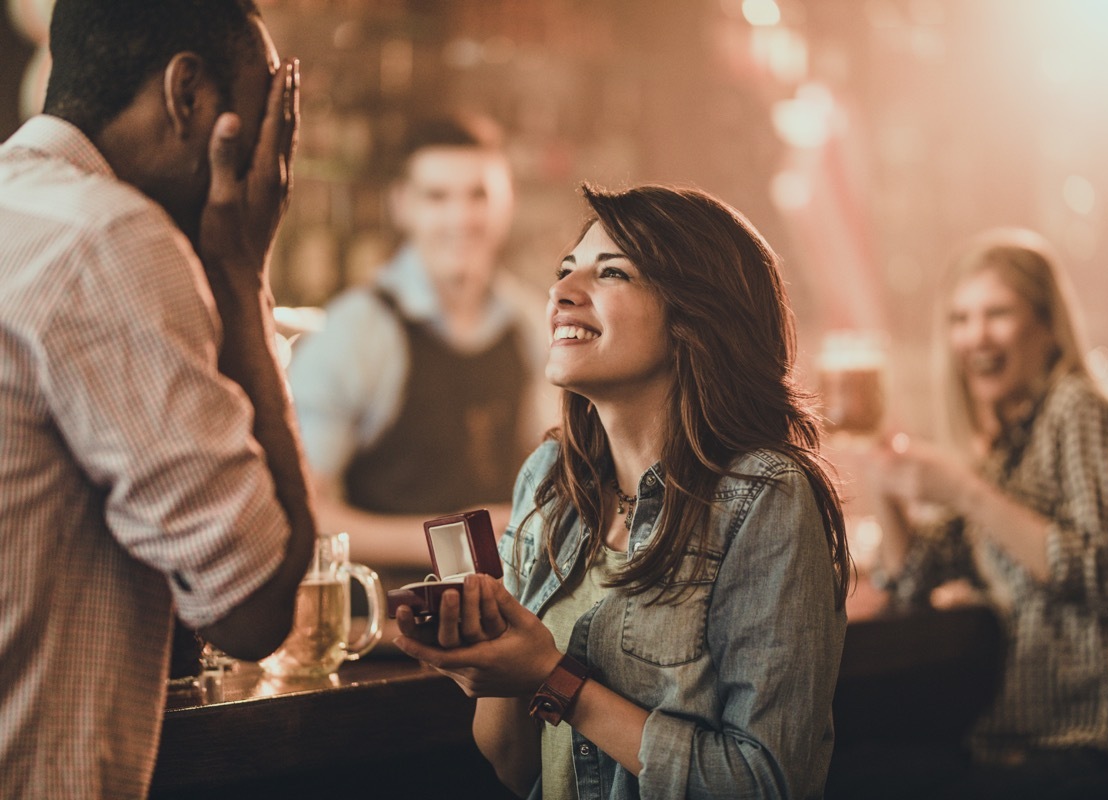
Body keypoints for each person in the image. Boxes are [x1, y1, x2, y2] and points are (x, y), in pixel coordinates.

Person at [393, 184, 852, 799]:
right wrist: (491, 659)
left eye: (612, 273)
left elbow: (765, 783)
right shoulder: (550, 478)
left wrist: (553, 678)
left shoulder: (763, 496)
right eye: (563, 271)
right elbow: (512, 765)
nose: (561, 293)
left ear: (695, 315)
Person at [0, 1, 316, 797]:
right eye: (263, 109)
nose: (273, 158)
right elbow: (253, 606)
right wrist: (242, 273)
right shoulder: (110, 239)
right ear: (188, 96)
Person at [839, 228, 1108, 799]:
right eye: (960, 319)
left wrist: (963, 489)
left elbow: (1104, 576)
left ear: (1047, 326)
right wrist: (882, 467)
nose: (974, 336)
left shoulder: (1080, 414)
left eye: (996, 313)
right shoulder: (1009, 449)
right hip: (1032, 745)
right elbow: (912, 578)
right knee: (842, 774)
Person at [287, 112, 551, 590]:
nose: (461, 218)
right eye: (437, 197)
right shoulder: (357, 329)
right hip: (389, 623)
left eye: (478, 195)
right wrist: (458, 544)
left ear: (507, 202)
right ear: (402, 205)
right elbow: (304, 511)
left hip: (507, 614)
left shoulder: (533, 324)